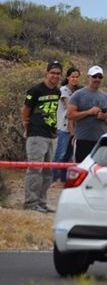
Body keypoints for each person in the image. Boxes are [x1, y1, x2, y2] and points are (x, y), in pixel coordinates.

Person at [22, 60, 62, 212]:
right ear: (46, 73)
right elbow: (25, 110)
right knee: (35, 169)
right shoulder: (36, 90)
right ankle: (30, 203)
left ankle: (42, 202)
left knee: (48, 171)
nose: (55, 76)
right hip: (36, 134)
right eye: (53, 73)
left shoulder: (57, 92)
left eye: (58, 73)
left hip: (51, 134)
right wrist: (27, 126)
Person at [67, 65, 107, 163]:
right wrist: (89, 112)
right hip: (82, 139)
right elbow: (70, 115)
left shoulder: (106, 97)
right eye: (94, 76)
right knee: (80, 167)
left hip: (100, 141)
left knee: (97, 168)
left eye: (100, 77)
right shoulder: (78, 95)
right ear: (88, 77)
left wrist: (105, 117)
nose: (97, 79)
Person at [52, 67, 81, 185]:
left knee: (68, 154)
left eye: (77, 77)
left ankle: (63, 179)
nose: (75, 79)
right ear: (68, 77)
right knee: (60, 153)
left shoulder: (77, 91)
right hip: (63, 126)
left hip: (74, 127)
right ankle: (53, 178)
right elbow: (69, 106)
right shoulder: (63, 90)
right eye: (73, 76)